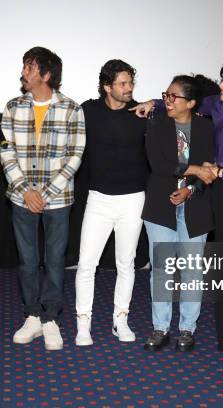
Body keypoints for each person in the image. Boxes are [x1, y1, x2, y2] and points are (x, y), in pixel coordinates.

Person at [132, 58, 223, 354]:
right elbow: (180, 105)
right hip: (222, 195)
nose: (221, 86)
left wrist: (208, 176)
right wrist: (153, 102)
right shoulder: (217, 108)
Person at [0, 47, 86, 351]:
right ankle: (32, 315)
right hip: (22, 197)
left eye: (30, 67)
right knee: (27, 260)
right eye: (24, 66)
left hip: (58, 199)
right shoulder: (12, 107)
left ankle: (51, 319)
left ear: (46, 75)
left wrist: (46, 193)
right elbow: (6, 150)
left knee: (53, 260)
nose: (24, 71)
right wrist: (26, 190)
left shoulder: (72, 109)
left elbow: (75, 155)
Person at [74, 59, 148, 346]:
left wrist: (154, 103)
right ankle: (83, 324)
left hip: (133, 200)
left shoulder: (142, 112)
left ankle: (121, 320)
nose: (128, 88)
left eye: (131, 83)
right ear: (107, 87)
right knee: (86, 265)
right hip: (99, 199)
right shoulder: (89, 110)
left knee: (126, 265)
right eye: (122, 83)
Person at [142, 75, 216, 351]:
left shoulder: (207, 128)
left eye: (174, 97)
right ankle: (160, 328)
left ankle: (187, 328)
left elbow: (211, 167)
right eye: (166, 95)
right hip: (160, 205)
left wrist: (191, 189)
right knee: (161, 270)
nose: (167, 101)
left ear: (192, 102)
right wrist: (195, 170)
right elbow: (159, 164)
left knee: (192, 270)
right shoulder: (157, 124)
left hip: (195, 204)